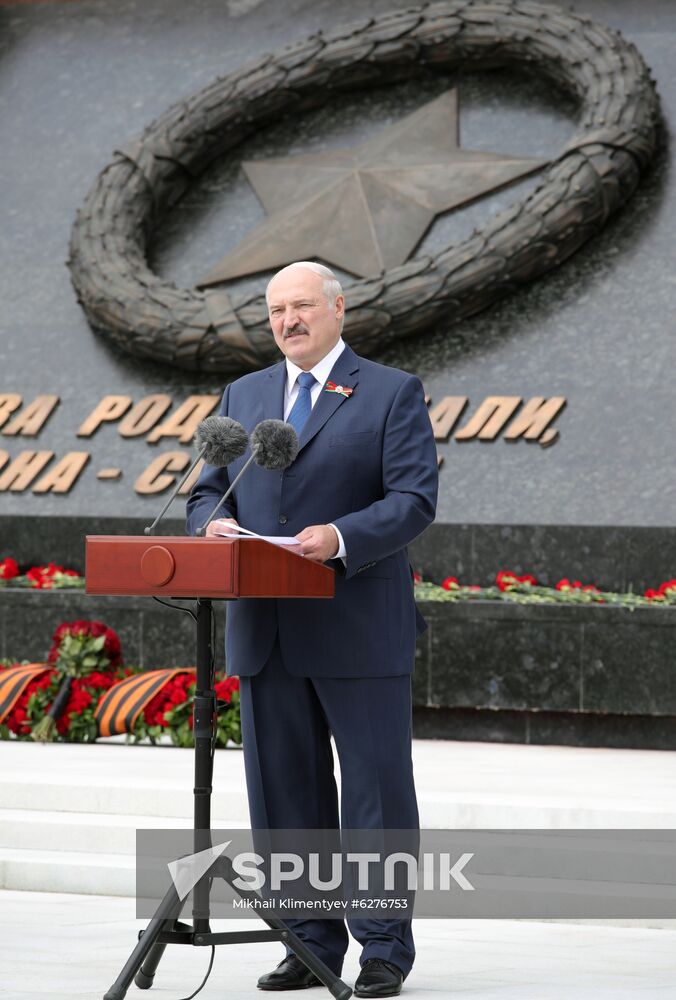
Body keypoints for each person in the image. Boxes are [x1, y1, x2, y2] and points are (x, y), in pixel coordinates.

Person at [186, 261, 438, 997]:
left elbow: (414, 500)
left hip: (355, 622)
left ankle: (384, 949)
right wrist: (213, 523)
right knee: (283, 794)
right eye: (275, 311)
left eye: (300, 306)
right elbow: (205, 489)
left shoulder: (391, 392)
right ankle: (307, 941)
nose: (287, 321)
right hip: (265, 629)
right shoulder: (245, 396)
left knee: (375, 796)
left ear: (337, 309)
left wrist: (338, 537)